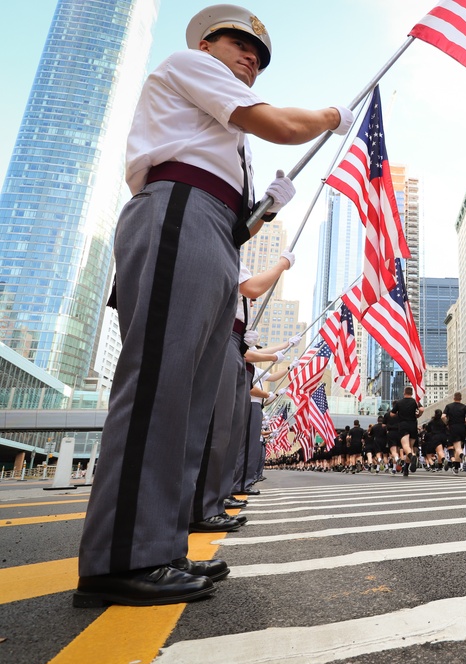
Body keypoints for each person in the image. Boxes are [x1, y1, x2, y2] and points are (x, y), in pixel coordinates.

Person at [74, 4, 354, 608]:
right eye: (238, 44)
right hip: (176, 207)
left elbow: (234, 228)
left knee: (190, 402)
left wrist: (267, 208)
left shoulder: (222, 122)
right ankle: (123, 556)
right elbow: (279, 124)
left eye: (259, 54)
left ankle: (159, 547)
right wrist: (331, 116)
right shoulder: (190, 66)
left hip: (210, 228)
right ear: (206, 44)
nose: (251, 58)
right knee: (160, 386)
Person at [391, 386, 423, 477]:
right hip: (413, 425)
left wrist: (398, 414)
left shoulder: (399, 402)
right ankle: (406, 469)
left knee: (405, 446)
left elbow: (392, 414)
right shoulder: (414, 401)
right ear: (412, 393)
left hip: (403, 425)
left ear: (404, 392)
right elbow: (421, 409)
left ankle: (412, 457)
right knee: (410, 447)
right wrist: (418, 415)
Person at [443, 392, 466, 473]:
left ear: (454, 398)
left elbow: (443, 416)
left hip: (453, 427)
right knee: (459, 447)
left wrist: (446, 423)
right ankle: (456, 467)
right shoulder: (464, 407)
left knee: (457, 448)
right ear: (461, 398)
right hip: (462, 428)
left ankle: (462, 456)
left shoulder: (449, 406)